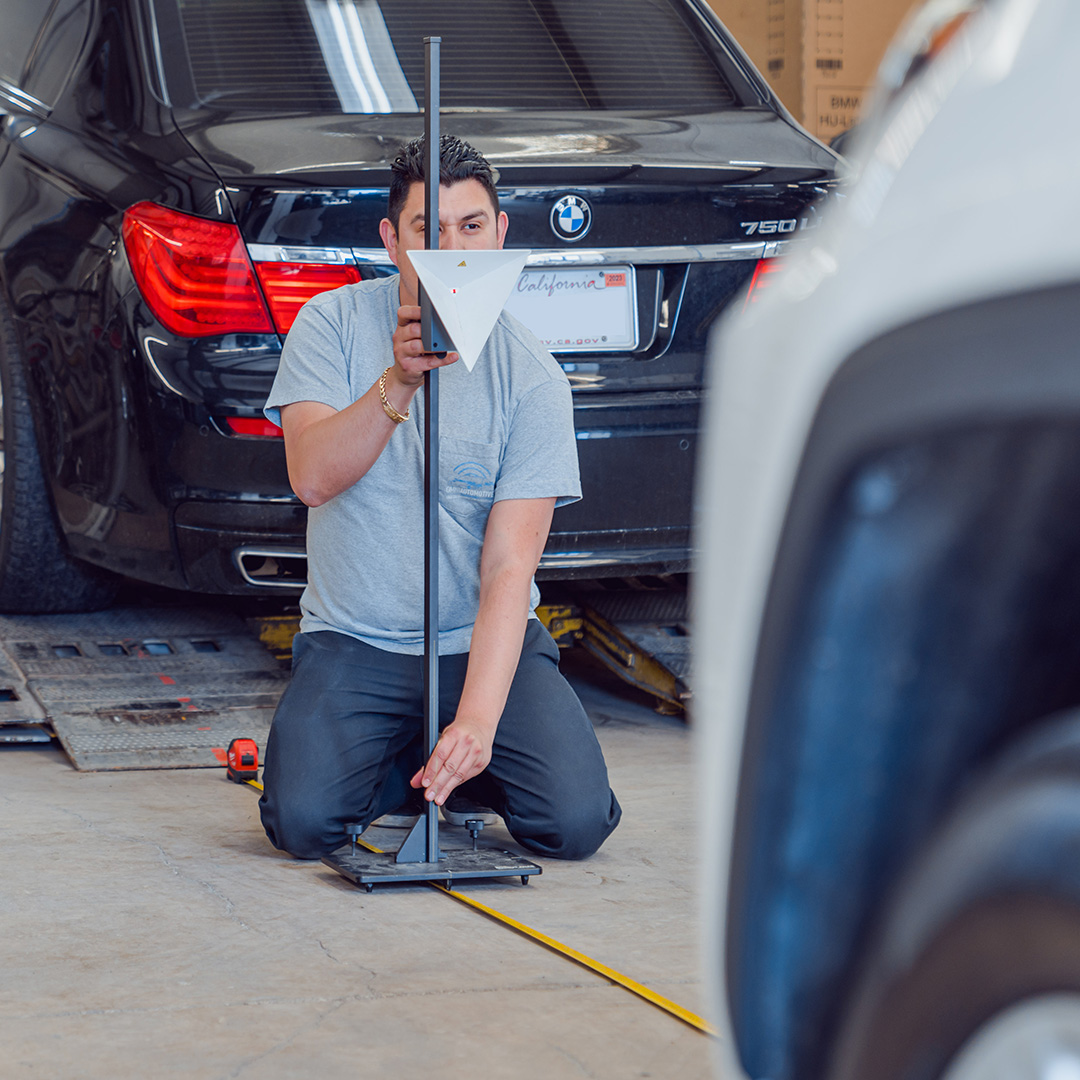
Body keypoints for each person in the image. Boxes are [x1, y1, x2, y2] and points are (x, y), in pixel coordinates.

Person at [258, 134, 622, 861]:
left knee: (574, 823)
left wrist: (481, 719)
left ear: (500, 237)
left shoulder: (534, 378)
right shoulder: (328, 326)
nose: (453, 247)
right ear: (393, 240)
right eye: (429, 229)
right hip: (355, 642)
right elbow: (311, 477)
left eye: (472, 226)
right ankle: (404, 766)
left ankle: (462, 758)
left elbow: (508, 569)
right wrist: (401, 379)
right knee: (301, 823)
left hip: (478, 643)